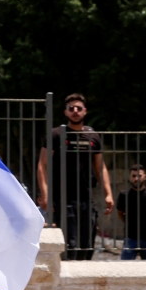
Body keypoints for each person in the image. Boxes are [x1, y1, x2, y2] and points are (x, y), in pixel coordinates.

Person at [36, 93, 114, 260]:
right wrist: (45, 194)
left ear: (85, 111)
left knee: (87, 246)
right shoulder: (56, 134)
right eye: (71, 108)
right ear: (66, 112)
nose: (75, 111)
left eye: (79, 108)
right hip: (63, 198)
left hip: (86, 198)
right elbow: (42, 165)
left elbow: (100, 167)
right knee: (70, 244)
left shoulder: (93, 136)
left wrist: (108, 193)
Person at [117, 164, 146, 260]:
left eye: (139, 176)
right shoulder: (124, 195)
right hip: (130, 238)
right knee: (125, 269)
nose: (136, 178)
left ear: (145, 177)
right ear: (130, 177)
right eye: (133, 176)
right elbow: (120, 213)